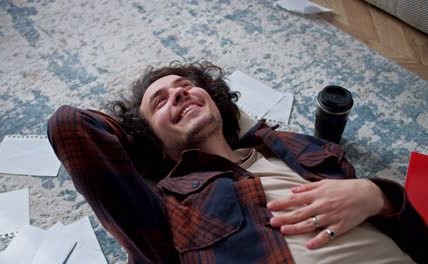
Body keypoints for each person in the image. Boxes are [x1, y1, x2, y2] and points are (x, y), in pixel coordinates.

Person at [47, 61, 427, 264]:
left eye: (184, 86)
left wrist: (376, 195)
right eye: (160, 101)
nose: (178, 94)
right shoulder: (168, 207)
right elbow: (71, 127)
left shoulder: (289, 146)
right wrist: (140, 133)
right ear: (154, 145)